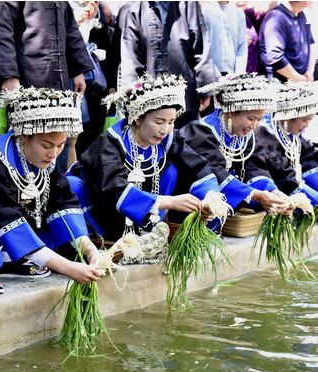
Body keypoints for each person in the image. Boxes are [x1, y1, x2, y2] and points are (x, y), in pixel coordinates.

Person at [0, 87, 102, 296]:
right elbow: (5, 213)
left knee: (71, 185)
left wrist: (91, 251)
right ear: (23, 136)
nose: (53, 153)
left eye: (60, 146)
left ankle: (19, 256)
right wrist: (67, 268)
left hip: (11, 226)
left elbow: (62, 201)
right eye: (47, 145)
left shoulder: (45, 158)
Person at [67, 74, 220, 241]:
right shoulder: (110, 142)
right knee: (74, 186)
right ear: (138, 118)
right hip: (102, 207)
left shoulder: (168, 138)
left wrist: (210, 199)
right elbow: (114, 188)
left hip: (144, 208)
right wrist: (168, 202)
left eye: (171, 121)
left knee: (172, 171)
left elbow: (197, 166)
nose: (165, 129)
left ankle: (150, 227)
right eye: (159, 121)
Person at [0, 1, 94, 173]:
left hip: (60, 81)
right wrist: (10, 74)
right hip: (28, 79)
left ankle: (56, 192)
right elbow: (3, 29)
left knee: (59, 141)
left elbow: (70, 27)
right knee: (28, 141)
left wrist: (78, 71)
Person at [181, 73, 294, 215]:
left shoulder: (244, 136)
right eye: (251, 118)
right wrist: (257, 195)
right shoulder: (200, 131)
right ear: (232, 110)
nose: (254, 125)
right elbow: (214, 172)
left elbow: (255, 168)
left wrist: (274, 193)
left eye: (259, 119)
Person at [120, 1, 218, 128]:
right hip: (149, 100)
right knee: (153, 143)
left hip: (185, 96)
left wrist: (206, 89)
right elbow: (130, 56)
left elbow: (201, 46)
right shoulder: (135, 9)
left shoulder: (188, 4)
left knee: (186, 141)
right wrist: (130, 94)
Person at [255, 81, 318, 200]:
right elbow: (284, 179)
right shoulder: (266, 135)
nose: (307, 125)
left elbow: (308, 160)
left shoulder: (291, 133)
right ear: (289, 115)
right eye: (305, 120)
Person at [260, 1, 315, 82]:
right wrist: (299, 79)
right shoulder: (276, 18)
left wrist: (309, 72)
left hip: (301, 81)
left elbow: (310, 43)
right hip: (281, 86)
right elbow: (275, 58)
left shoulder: (300, 14)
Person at [201, 1, 247, 76]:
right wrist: (216, 76)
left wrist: (239, 74)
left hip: (232, 75)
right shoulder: (204, 11)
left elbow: (242, 46)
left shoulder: (238, 13)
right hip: (210, 76)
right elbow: (202, 49)